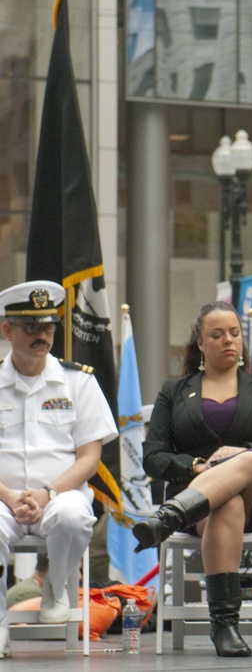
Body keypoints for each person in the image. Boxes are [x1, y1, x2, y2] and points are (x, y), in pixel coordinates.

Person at [135, 301, 252, 657]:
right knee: (226, 503)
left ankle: (169, 517)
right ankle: (225, 625)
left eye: (234, 333)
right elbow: (153, 457)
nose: (229, 340)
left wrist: (244, 456)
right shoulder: (174, 391)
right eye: (217, 334)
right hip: (203, 508)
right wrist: (197, 466)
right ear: (200, 342)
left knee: (250, 461)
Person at [0, 280, 118, 660]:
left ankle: (55, 583)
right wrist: (10, 496)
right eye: (31, 327)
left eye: (48, 326)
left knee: (73, 516)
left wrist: (46, 493)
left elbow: (89, 457)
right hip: (3, 499)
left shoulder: (77, 380)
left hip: (58, 495)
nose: (42, 335)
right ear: (7, 330)